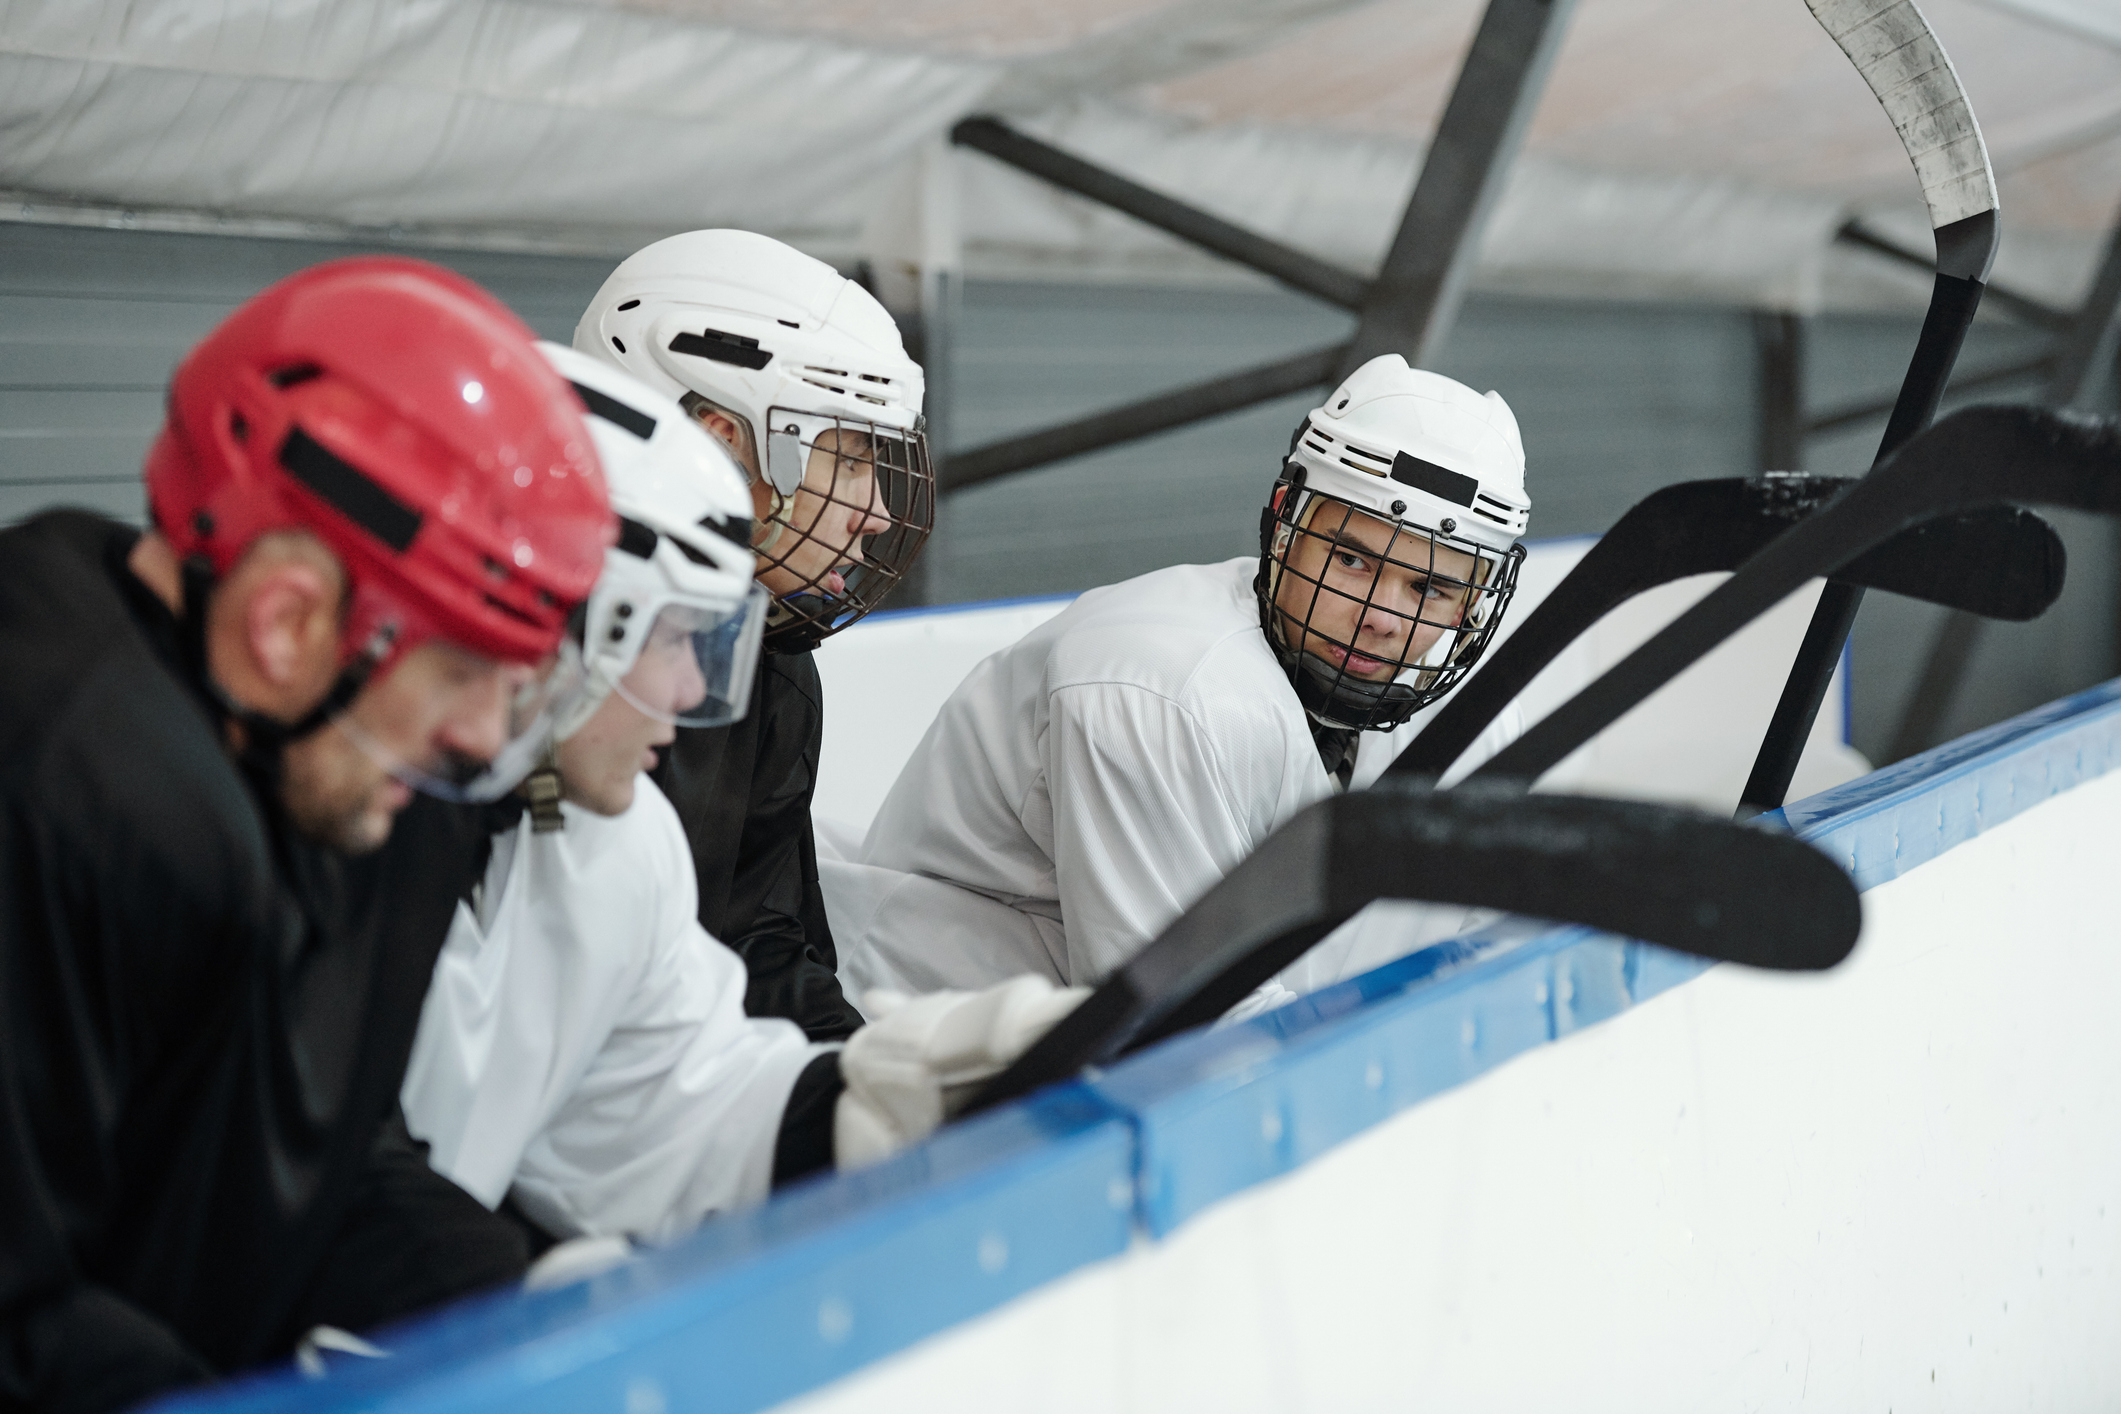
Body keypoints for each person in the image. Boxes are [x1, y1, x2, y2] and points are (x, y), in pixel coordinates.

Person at [0, 258, 613, 1412]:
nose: (486, 741)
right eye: (462, 669)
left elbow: (292, 1175)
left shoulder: (318, 765)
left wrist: (520, 1294)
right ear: (284, 622)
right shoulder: (68, 787)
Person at [401, 347, 1079, 1247]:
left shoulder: (613, 838)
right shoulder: (341, 851)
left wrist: (859, 1102)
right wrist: (508, 1285)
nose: (692, 692)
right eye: (675, 634)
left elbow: (672, 1098)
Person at [831, 355, 1534, 1000]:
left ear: (1471, 605)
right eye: (1351, 560)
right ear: (1284, 522)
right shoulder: (1155, 687)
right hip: (918, 1031)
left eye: (1429, 588)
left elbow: (1483, 954)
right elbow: (1172, 1018)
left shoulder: (1474, 719)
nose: (1379, 616)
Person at [573, 230, 935, 1040]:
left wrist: (855, 1073)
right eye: (850, 462)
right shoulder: (522, 672)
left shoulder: (774, 664)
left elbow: (757, 943)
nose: (878, 514)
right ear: (719, 443)